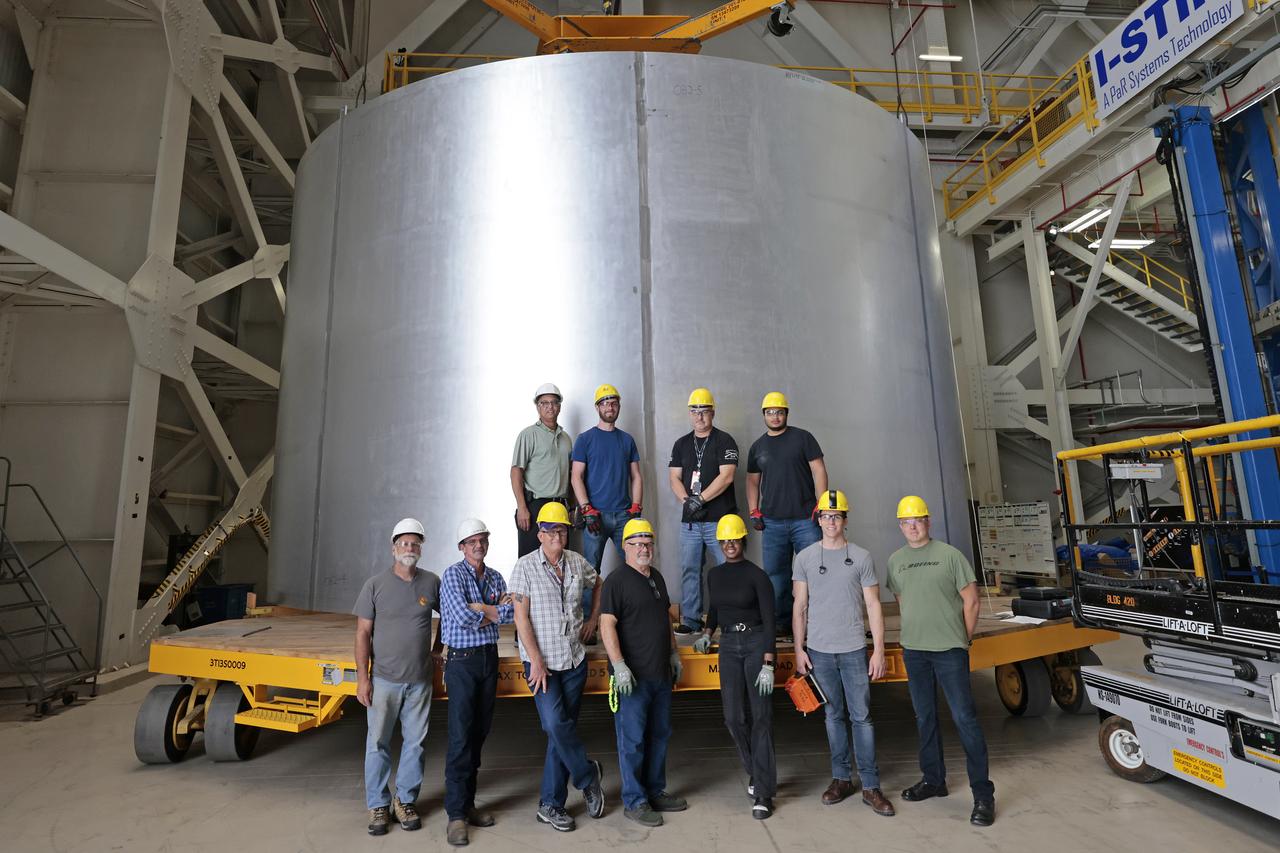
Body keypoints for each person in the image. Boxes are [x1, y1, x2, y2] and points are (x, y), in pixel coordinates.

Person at [887, 495, 995, 827]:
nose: (913, 526)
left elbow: (972, 601)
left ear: (928, 522)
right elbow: (902, 600)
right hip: (914, 650)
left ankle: (983, 796)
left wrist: (962, 639)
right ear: (900, 526)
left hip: (949, 650)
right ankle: (934, 781)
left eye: (918, 519)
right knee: (925, 717)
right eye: (906, 522)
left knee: (965, 720)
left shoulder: (950, 556)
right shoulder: (895, 561)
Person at [792, 490, 895, 816]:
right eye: (825, 516)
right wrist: (799, 649)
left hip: (853, 650)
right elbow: (799, 607)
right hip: (820, 652)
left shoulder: (862, 557)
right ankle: (841, 779)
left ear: (845, 520)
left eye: (836, 516)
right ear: (818, 520)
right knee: (833, 717)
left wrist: (878, 650)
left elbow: (874, 606)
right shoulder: (805, 557)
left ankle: (870, 785)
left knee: (861, 718)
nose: (831, 521)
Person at [509, 502, 607, 832]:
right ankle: (587, 775)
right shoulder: (524, 568)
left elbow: (601, 583)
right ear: (539, 534)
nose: (556, 535)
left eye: (562, 530)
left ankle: (550, 805)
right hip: (543, 664)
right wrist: (535, 660)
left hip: (574, 660)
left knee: (559, 734)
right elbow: (521, 620)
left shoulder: (578, 563)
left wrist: (594, 617)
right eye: (550, 530)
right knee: (554, 725)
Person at [353, 518, 443, 836]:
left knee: (415, 744)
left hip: (420, 680)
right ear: (394, 549)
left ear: (420, 549)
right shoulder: (375, 585)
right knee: (377, 744)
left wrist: (437, 649)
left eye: (415, 543)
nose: (410, 548)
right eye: (404, 543)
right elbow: (363, 634)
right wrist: (363, 679)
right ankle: (378, 805)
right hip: (384, 680)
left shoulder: (431, 582)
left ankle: (405, 801)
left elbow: (448, 616)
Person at [599, 518, 686, 827]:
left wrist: (673, 653)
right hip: (631, 679)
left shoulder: (657, 578)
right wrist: (619, 665)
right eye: (638, 544)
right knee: (632, 741)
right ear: (626, 548)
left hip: (660, 674)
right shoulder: (616, 581)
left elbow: (665, 619)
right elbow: (606, 624)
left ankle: (654, 791)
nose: (644, 549)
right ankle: (635, 801)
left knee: (659, 736)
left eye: (648, 543)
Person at [692, 514, 777, 819]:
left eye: (734, 539)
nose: (729, 545)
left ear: (743, 540)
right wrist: (706, 633)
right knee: (733, 717)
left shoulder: (758, 577)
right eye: (724, 541)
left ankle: (764, 792)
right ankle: (757, 770)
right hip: (728, 646)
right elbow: (715, 609)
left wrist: (769, 661)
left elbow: (770, 622)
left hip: (755, 643)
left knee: (761, 717)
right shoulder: (714, 576)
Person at [439, 518, 515, 847]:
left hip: (488, 658)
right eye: (472, 541)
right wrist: (494, 611)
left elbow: (513, 614)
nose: (478, 546)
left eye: (482, 540)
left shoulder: (496, 576)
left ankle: (468, 805)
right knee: (460, 736)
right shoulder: (452, 575)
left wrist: (485, 609)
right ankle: (455, 814)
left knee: (479, 733)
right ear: (461, 547)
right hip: (461, 661)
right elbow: (460, 617)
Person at [746, 391, 827, 635]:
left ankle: (817, 621)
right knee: (776, 576)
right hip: (772, 522)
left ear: (786, 414)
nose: (775, 416)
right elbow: (751, 481)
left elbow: (819, 470)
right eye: (770, 412)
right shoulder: (758, 447)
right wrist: (754, 510)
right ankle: (782, 623)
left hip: (805, 519)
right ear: (764, 415)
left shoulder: (803, 438)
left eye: (779, 412)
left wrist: (821, 506)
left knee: (814, 572)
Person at [668, 387, 739, 635]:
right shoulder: (682, 444)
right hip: (691, 523)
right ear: (690, 413)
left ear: (713, 413)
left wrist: (701, 499)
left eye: (705, 411)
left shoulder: (725, 440)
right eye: (695, 411)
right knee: (690, 569)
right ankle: (692, 620)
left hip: (721, 521)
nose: (700, 416)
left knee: (727, 571)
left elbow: (727, 476)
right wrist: (688, 500)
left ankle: (732, 619)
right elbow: (674, 477)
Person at [571, 383, 642, 580]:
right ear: (597, 407)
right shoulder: (585, 439)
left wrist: (636, 506)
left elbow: (636, 476)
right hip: (595, 516)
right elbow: (576, 476)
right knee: (590, 573)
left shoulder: (627, 440)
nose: (609, 407)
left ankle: (634, 610)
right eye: (605, 404)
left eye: (613, 403)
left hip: (623, 516)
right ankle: (588, 612)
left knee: (635, 566)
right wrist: (587, 509)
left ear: (619, 406)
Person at [511, 382, 574, 559]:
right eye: (544, 403)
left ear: (559, 406)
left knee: (559, 559)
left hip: (560, 506)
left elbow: (570, 476)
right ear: (538, 407)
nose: (550, 407)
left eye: (554, 402)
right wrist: (522, 507)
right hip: (535, 507)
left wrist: (572, 507)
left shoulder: (566, 439)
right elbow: (516, 471)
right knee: (530, 560)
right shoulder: (528, 435)